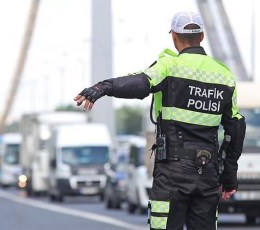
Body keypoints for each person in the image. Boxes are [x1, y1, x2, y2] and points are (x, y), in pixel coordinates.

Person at [74, 11, 246, 230]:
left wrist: (102, 88)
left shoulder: (169, 66)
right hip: (208, 173)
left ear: (174, 36)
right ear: (202, 36)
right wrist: (229, 177)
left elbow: (139, 83)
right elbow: (236, 129)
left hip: (172, 172)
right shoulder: (225, 76)